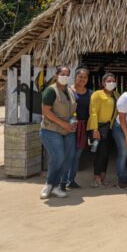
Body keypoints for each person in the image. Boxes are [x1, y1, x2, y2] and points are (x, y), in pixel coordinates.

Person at [39, 66, 77, 199]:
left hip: (67, 131)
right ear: (56, 75)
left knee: (67, 159)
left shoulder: (70, 91)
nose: (65, 76)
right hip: (51, 130)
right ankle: (48, 184)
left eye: (67, 74)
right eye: (62, 74)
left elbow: (72, 110)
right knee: (58, 157)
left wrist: (73, 120)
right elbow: (46, 112)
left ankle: (55, 187)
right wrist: (64, 124)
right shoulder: (50, 91)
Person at [60, 67, 91, 190]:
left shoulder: (90, 93)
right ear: (75, 77)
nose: (82, 79)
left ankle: (71, 180)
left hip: (82, 127)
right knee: (68, 154)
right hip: (69, 126)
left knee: (77, 155)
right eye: (80, 76)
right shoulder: (68, 91)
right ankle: (63, 181)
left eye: (85, 77)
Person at [88, 73, 118, 188]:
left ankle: (103, 177)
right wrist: (95, 129)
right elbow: (93, 112)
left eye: (113, 81)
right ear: (103, 83)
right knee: (100, 154)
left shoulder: (116, 94)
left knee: (106, 154)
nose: (111, 83)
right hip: (99, 128)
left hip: (110, 129)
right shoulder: (97, 94)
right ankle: (96, 178)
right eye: (108, 81)